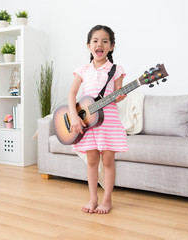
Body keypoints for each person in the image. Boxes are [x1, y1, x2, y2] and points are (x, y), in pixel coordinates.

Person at [68, 25, 128, 214]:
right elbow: (72, 93)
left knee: (108, 160)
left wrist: (120, 95)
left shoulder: (116, 69)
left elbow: (118, 92)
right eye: (95, 41)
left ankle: (107, 199)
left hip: (109, 120)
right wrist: (74, 115)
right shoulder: (83, 70)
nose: (99, 44)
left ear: (111, 47)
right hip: (88, 122)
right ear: (88, 46)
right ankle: (93, 198)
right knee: (92, 160)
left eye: (104, 41)